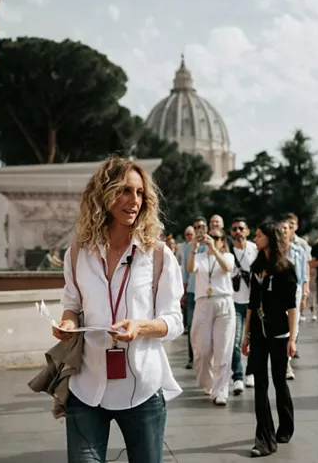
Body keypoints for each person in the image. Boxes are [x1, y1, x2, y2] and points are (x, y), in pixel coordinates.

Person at [52, 157, 185, 463]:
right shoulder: (77, 254)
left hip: (143, 389)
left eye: (140, 193)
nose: (134, 200)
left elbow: (174, 321)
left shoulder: (159, 255)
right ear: (103, 194)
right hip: (86, 386)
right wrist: (67, 324)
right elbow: (72, 304)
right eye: (125, 191)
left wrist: (141, 327)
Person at [241, 220, 298, 457]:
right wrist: (246, 336)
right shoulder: (256, 269)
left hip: (279, 334)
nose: (255, 238)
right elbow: (252, 305)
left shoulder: (286, 270)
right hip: (259, 334)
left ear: (270, 238)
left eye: (259, 235)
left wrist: (292, 339)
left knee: (279, 381)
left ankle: (285, 426)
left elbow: (292, 308)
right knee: (260, 385)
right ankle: (264, 439)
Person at [187, 227, 235, 405]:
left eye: (217, 238)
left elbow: (227, 267)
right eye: (211, 237)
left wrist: (214, 249)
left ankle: (220, 390)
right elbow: (190, 268)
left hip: (223, 302)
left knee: (223, 349)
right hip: (204, 303)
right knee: (203, 350)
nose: (213, 239)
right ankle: (208, 384)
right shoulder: (199, 256)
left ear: (223, 240)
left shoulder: (227, 256)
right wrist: (194, 245)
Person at [229, 217, 259, 391]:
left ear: (247, 231)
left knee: (254, 339)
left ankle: (250, 373)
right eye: (234, 229)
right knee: (236, 341)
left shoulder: (254, 250)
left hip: (253, 302)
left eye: (241, 228)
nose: (238, 232)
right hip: (234, 302)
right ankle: (237, 376)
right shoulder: (228, 251)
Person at [278, 218, 307, 379]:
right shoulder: (274, 252)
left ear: (291, 231)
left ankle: (287, 362)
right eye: (281, 228)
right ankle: (284, 363)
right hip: (278, 291)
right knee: (281, 325)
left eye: (286, 228)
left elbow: (302, 275)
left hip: (294, 290)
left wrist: (304, 294)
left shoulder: (299, 251)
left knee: (293, 326)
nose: (283, 231)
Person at [181, 217, 208, 369]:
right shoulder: (188, 248)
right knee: (192, 326)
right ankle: (192, 358)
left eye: (201, 226)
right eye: (196, 227)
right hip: (192, 291)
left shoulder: (211, 244)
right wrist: (183, 292)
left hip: (206, 292)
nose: (199, 229)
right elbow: (186, 272)